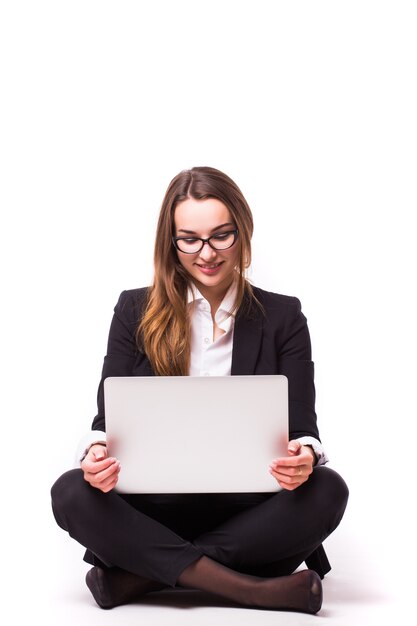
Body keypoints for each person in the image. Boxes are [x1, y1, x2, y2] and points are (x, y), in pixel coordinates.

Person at [51, 166, 348, 614]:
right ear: (170, 243)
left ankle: (139, 577)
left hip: (249, 510)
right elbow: (106, 423)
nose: (205, 253)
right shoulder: (134, 310)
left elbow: (303, 426)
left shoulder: (283, 317)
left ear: (243, 232)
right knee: (71, 492)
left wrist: (304, 457)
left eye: (220, 236)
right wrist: (95, 456)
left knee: (328, 489)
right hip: (154, 509)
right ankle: (252, 589)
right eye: (188, 239)